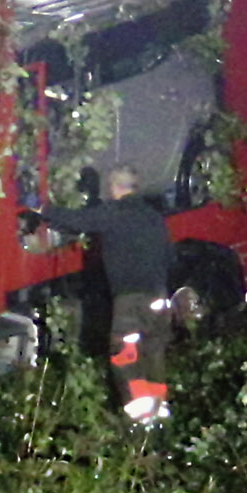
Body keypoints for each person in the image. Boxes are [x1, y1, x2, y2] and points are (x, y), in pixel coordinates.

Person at [22, 167, 173, 424]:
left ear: (115, 188)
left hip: (130, 300)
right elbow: (170, 256)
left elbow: (79, 220)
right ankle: (159, 414)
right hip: (158, 299)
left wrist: (41, 209)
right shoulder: (153, 217)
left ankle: (141, 421)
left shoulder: (114, 213)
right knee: (153, 352)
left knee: (126, 355)